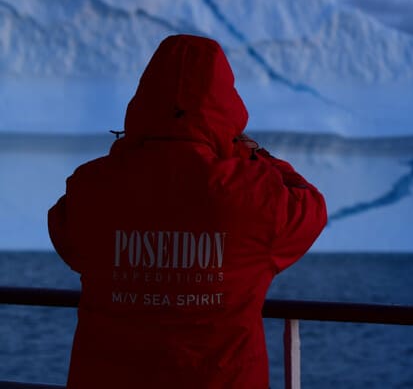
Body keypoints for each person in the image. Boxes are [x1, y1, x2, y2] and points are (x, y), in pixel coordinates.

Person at [47, 34, 327, 389]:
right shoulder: (254, 196)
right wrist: (255, 155)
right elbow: (310, 206)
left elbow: (65, 235)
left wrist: (128, 152)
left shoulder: (92, 186)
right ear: (226, 107)